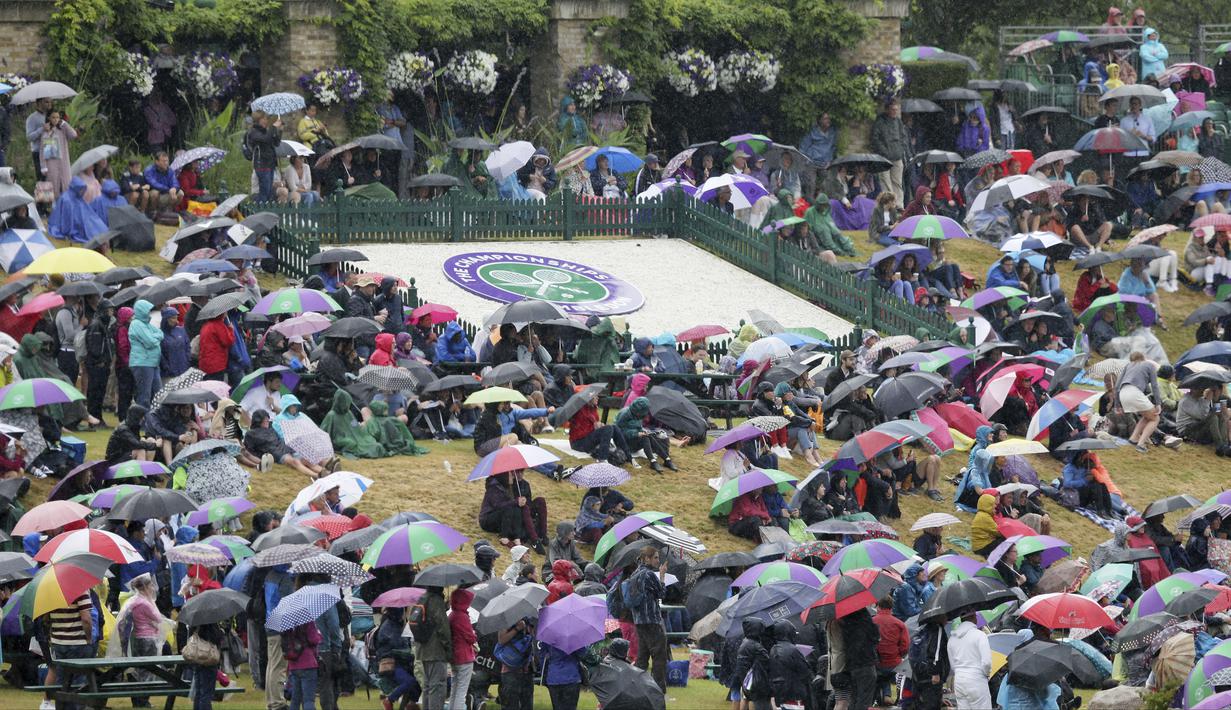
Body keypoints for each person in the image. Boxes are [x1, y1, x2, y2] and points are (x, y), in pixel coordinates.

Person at [628, 545, 669, 691]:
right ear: (647, 558)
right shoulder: (649, 574)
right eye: (656, 557)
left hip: (639, 621)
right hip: (652, 621)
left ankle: (637, 688)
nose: (658, 560)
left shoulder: (634, 574)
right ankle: (658, 690)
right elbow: (662, 594)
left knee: (642, 658)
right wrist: (662, 575)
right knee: (659, 658)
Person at [374, 606, 419, 710]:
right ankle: (389, 700)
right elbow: (396, 647)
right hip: (391, 664)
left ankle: (410, 704)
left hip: (401, 662)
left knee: (418, 680)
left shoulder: (397, 625)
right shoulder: (388, 627)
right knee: (409, 681)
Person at [948, 608, 992, 709]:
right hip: (977, 679)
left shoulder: (952, 638)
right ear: (973, 617)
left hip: (959, 680)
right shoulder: (980, 635)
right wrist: (986, 674)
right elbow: (986, 663)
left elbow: (953, 666)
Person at [127, 300, 164, 409]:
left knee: (158, 394)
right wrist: (156, 338)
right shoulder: (136, 324)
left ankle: (153, 420)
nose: (149, 312)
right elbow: (150, 342)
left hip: (153, 363)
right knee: (144, 396)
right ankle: (141, 421)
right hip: (142, 363)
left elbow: (161, 334)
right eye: (147, 310)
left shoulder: (146, 324)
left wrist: (155, 338)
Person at [870, 101, 908, 208]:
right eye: (893, 109)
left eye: (896, 109)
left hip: (897, 156)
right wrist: (884, 151)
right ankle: (889, 205)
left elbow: (903, 137)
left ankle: (899, 206)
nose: (895, 111)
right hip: (884, 158)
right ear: (887, 110)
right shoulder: (880, 122)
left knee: (897, 183)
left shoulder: (899, 122)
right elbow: (875, 139)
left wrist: (901, 150)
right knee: (885, 183)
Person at [873, 596, 909, 706]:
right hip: (894, 662)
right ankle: (888, 696)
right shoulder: (899, 624)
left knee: (880, 676)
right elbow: (905, 646)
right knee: (889, 676)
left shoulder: (871, 621)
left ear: (878, 606)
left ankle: (881, 697)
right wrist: (899, 654)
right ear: (891, 607)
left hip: (876, 663)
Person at [1179, 386, 1231, 456]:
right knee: (1213, 418)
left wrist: (1217, 403)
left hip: (1197, 427)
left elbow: (1223, 415)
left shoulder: (1220, 398)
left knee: (1221, 417)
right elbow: (1201, 416)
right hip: (1187, 430)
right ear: (1193, 389)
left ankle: (1225, 445)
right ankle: (1220, 445)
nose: (1202, 391)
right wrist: (1208, 400)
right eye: (1200, 389)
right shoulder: (1186, 400)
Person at [447, 586, 477, 710]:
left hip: (455, 656)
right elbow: (471, 638)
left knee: (455, 688)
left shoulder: (452, 615)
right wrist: (474, 633)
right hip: (465, 657)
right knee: (461, 691)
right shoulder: (462, 616)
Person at [734, 618, 772, 710]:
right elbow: (767, 661)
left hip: (746, 679)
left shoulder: (745, 642)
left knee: (747, 699)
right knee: (756, 702)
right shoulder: (755, 646)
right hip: (756, 681)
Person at [39, 109, 77, 200]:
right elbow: (42, 151)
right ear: (49, 118)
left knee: (66, 186)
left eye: (57, 117)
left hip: (64, 163)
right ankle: (49, 209)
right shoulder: (46, 131)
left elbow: (74, 135)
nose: (55, 119)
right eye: (53, 117)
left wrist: (64, 124)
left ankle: (65, 208)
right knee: (51, 188)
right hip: (51, 164)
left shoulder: (63, 130)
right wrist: (43, 166)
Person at [246, 111, 283, 203]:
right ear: (259, 120)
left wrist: (280, 130)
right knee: (264, 192)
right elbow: (265, 139)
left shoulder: (266, 131)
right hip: (262, 165)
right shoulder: (254, 132)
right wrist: (273, 127)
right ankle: (258, 209)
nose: (266, 121)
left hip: (270, 164)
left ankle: (265, 210)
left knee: (269, 192)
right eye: (265, 119)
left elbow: (276, 143)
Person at [142, 152, 183, 217]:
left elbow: (175, 182)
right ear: (157, 162)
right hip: (153, 195)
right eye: (163, 161)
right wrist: (169, 190)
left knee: (180, 193)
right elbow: (154, 184)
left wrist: (174, 188)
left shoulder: (170, 170)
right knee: (154, 193)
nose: (166, 163)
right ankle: (153, 212)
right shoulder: (148, 170)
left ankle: (169, 210)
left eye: (167, 161)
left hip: (166, 193)